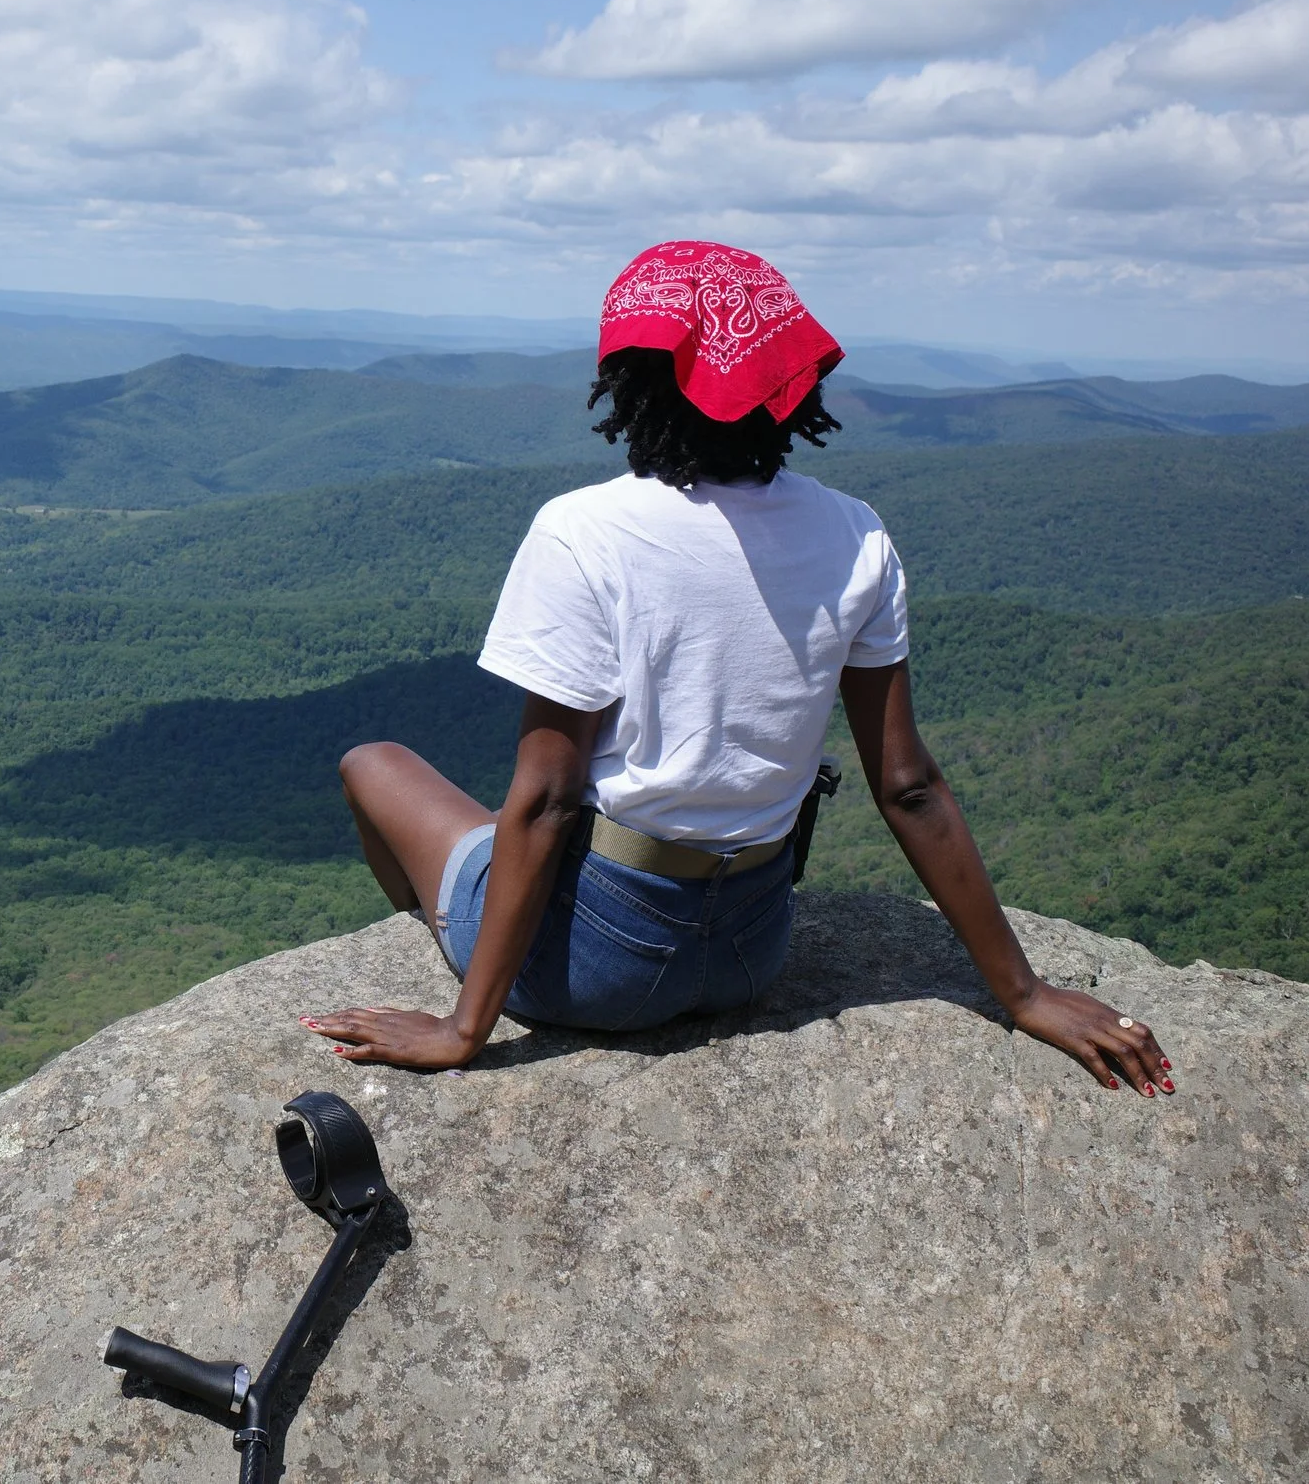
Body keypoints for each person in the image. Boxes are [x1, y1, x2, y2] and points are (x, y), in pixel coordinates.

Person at [302, 241, 1173, 1096]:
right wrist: (1022, 993)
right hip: (753, 946)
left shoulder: (584, 531)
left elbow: (547, 797)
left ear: (631, 383)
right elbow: (908, 787)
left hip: (596, 964)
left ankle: (456, 941)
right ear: (785, 390)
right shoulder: (857, 533)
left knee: (374, 762)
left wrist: (464, 1029)